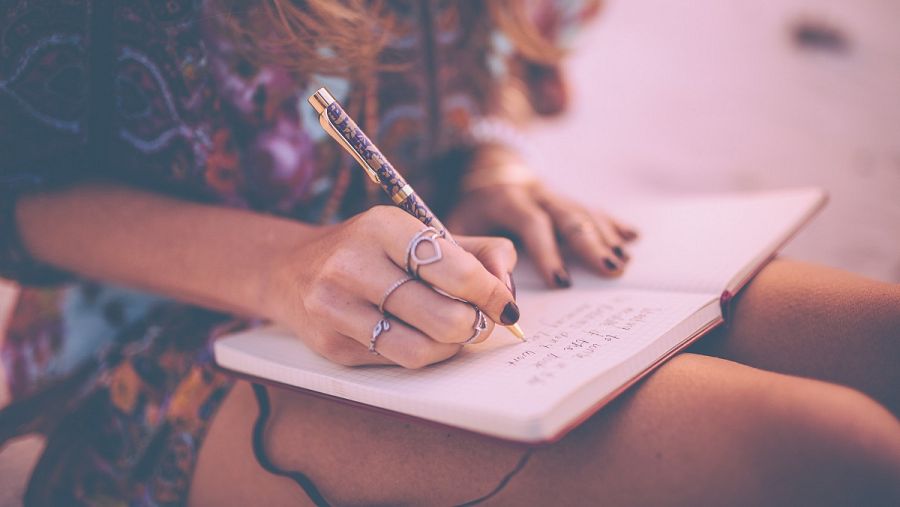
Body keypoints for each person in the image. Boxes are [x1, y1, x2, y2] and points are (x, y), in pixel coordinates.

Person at [0, 1, 897, 505]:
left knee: (879, 345)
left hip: (437, 251)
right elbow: (24, 195)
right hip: (154, 351)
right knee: (828, 453)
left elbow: (493, 71)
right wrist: (284, 265)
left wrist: (490, 164)